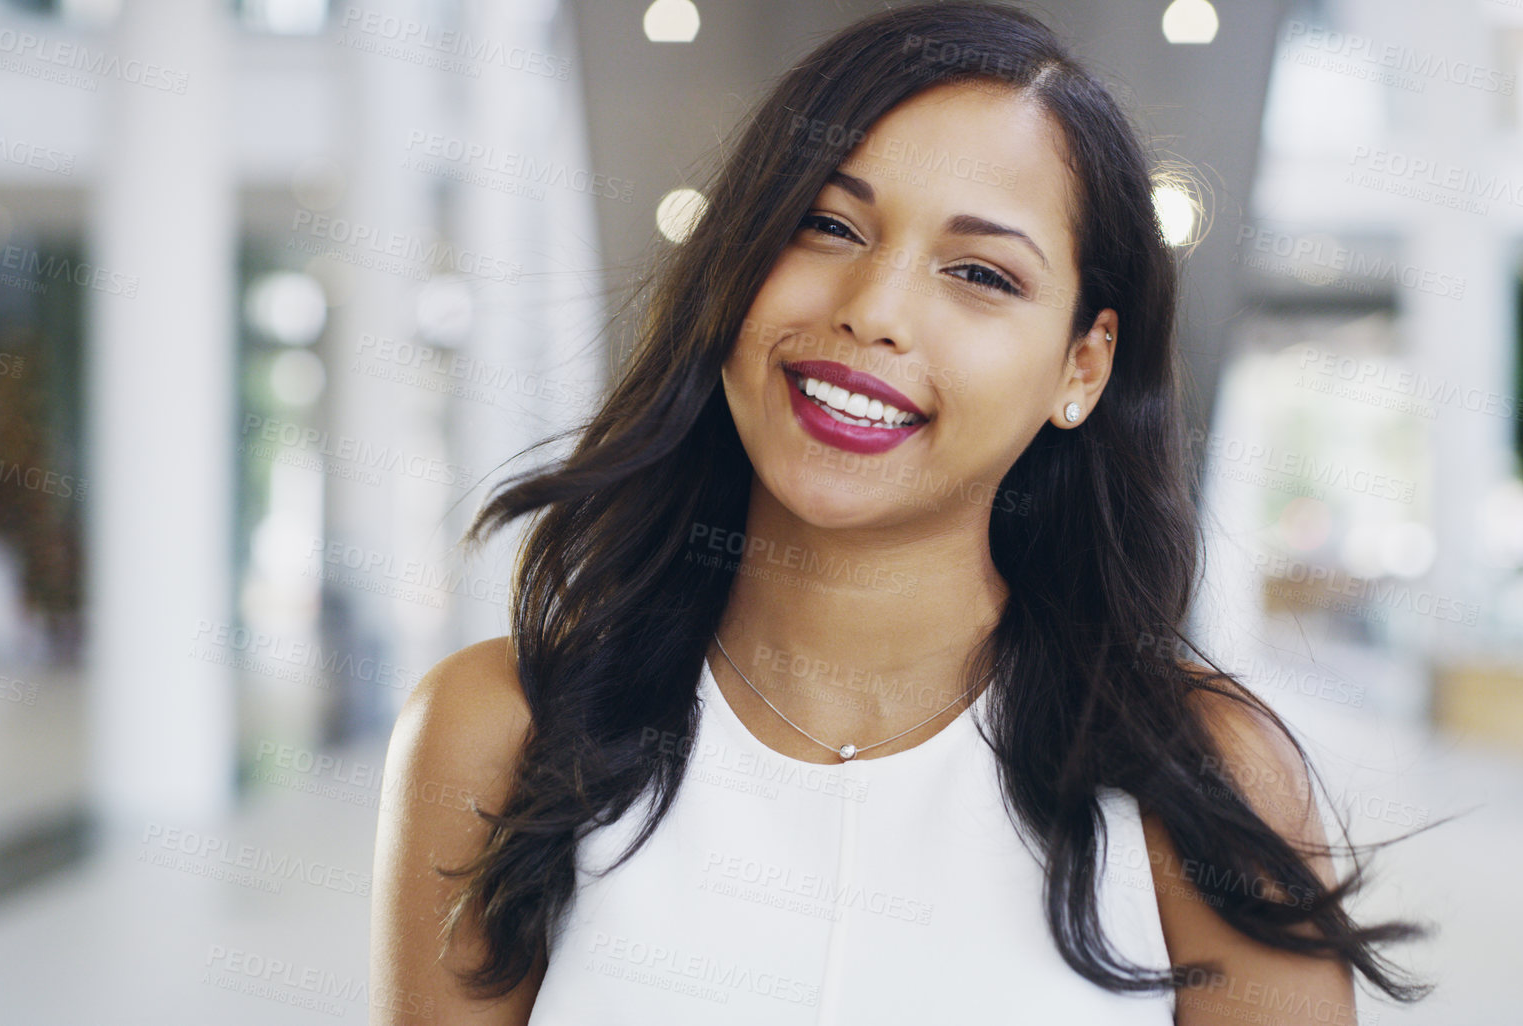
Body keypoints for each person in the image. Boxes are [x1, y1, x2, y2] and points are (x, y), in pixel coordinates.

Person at [371, 3, 1430, 1023]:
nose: (872, 311)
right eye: (826, 224)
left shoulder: (1208, 784)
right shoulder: (495, 731)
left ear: (1082, 363)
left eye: (980, 273)